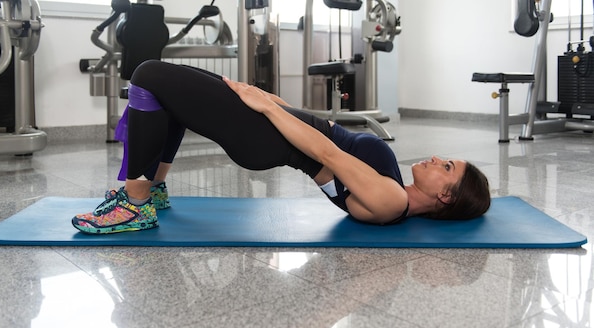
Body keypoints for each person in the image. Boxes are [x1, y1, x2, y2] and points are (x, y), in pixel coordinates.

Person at [72, 61, 491, 234]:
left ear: (444, 196)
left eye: (447, 166)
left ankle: (136, 204)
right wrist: (271, 100)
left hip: (268, 138)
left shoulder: (390, 201)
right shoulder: (395, 188)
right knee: (172, 96)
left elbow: (327, 153)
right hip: (278, 127)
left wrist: (266, 109)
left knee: (149, 75)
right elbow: (323, 129)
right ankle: (153, 190)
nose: (438, 158)